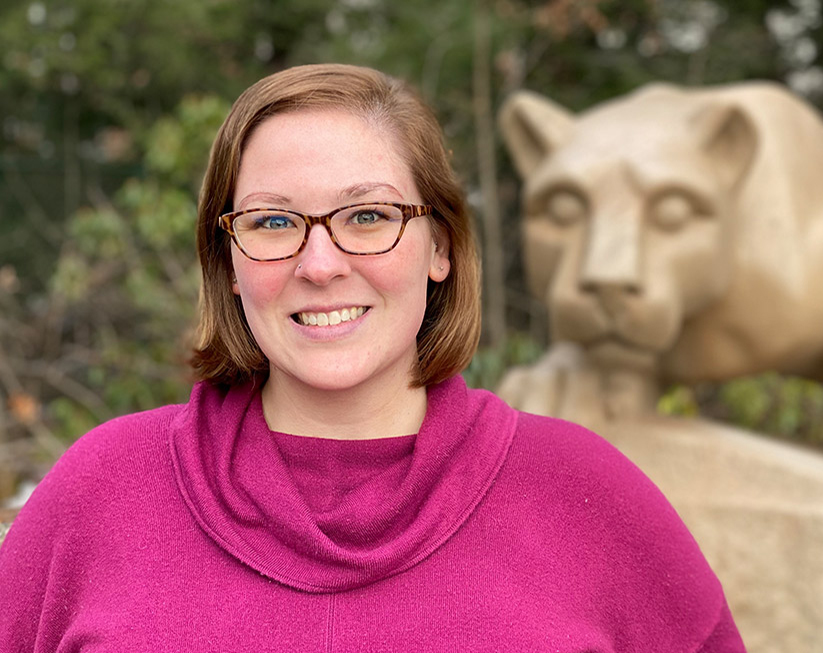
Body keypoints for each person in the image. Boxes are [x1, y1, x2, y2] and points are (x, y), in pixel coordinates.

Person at [0, 64, 744, 651]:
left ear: (441, 246)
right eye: (272, 220)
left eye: (367, 216)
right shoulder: (100, 497)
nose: (320, 263)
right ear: (228, 260)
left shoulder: (590, 500)